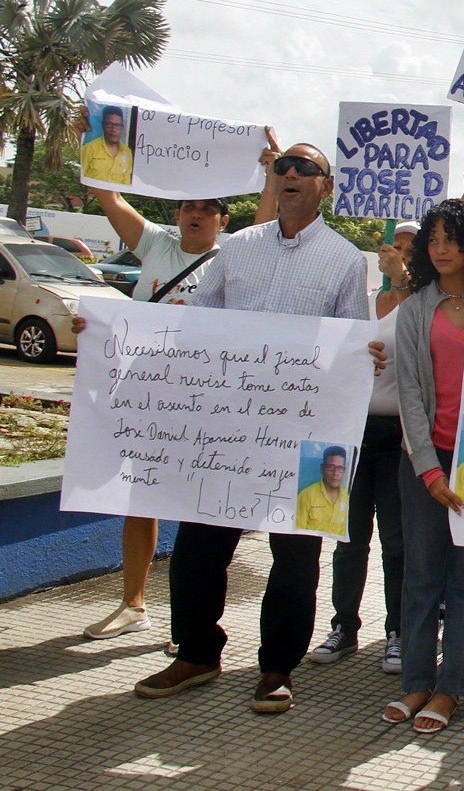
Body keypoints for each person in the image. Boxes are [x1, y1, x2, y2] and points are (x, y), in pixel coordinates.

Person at [131, 144, 369, 714]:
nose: (290, 174)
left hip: (302, 434)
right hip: (226, 432)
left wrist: (367, 359)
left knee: (294, 555)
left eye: (305, 168)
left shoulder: (343, 261)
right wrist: (114, 331)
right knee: (198, 546)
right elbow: (196, 327)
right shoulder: (235, 250)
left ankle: (276, 667)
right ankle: (196, 652)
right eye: (282, 166)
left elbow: (352, 346)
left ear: (325, 187)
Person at [79, 186, 233, 643]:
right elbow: (108, 199)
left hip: (204, 399)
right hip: (146, 392)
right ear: (177, 213)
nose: (198, 214)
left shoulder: (233, 257)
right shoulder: (154, 245)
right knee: (139, 497)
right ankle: (133, 604)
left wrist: (268, 169)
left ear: (224, 221)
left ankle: (190, 618)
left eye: (209, 208)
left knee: (195, 503)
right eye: (190, 205)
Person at [387, 199, 464, 733]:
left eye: (450, 238)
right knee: (419, 578)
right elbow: (410, 393)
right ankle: (416, 682)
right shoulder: (415, 309)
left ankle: (452, 688)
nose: (439, 249)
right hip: (427, 467)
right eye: (432, 239)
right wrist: (429, 471)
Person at [309, 219, 416, 673]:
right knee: (348, 539)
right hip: (349, 433)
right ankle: (344, 627)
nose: (402, 254)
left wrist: (405, 282)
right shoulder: (360, 302)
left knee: (397, 542)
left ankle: (397, 631)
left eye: (413, 249)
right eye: (397, 246)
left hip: (397, 438)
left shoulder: (420, 304)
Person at [295, 447, 352, 534]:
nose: (336, 473)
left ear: (344, 471)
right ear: (322, 469)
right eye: (331, 467)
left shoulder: (346, 498)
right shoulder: (307, 495)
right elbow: (297, 531)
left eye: (340, 468)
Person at [82, 104, 133, 184]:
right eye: (109, 124)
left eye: (117, 125)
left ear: (122, 128)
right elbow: (80, 177)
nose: (114, 129)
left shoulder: (127, 152)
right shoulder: (90, 148)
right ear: (103, 125)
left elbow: (126, 182)